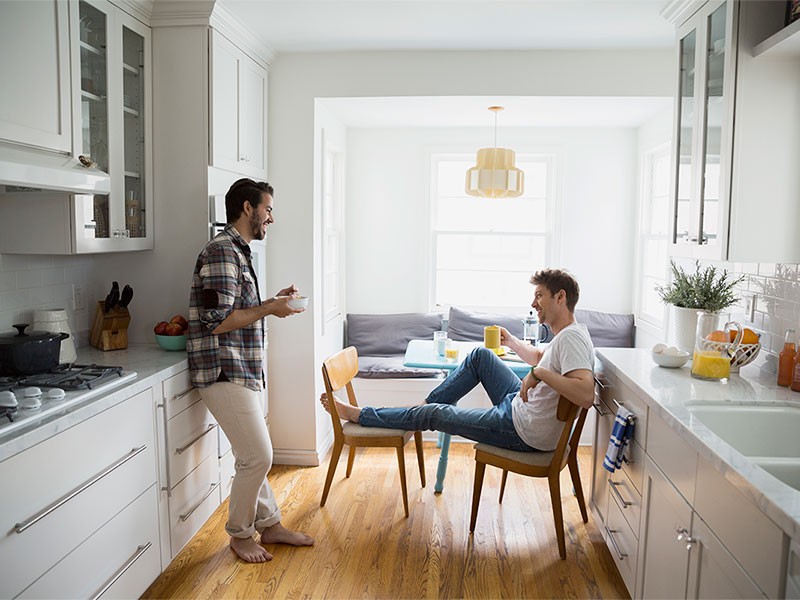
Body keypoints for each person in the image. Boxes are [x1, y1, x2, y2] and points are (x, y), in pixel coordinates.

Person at [321, 269, 595, 453]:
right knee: (481, 356)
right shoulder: (567, 336)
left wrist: (540, 375)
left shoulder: (571, 338)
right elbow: (540, 357)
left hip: (522, 430)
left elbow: (585, 394)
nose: (534, 303)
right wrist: (511, 341)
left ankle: (362, 414)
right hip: (521, 408)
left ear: (561, 297)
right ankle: (424, 408)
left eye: (539, 296)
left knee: (435, 416)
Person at [188, 178, 314, 563]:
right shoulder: (222, 252)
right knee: (258, 456)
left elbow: (232, 308)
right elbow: (215, 321)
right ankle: (240, 535)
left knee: (250, 453)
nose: (271, 218)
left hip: (240, 368)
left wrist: (272, 302)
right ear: (248, 208)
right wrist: (268, 308)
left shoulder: (238, 252)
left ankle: (270, 525)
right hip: (223, 370)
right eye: (268, 209)